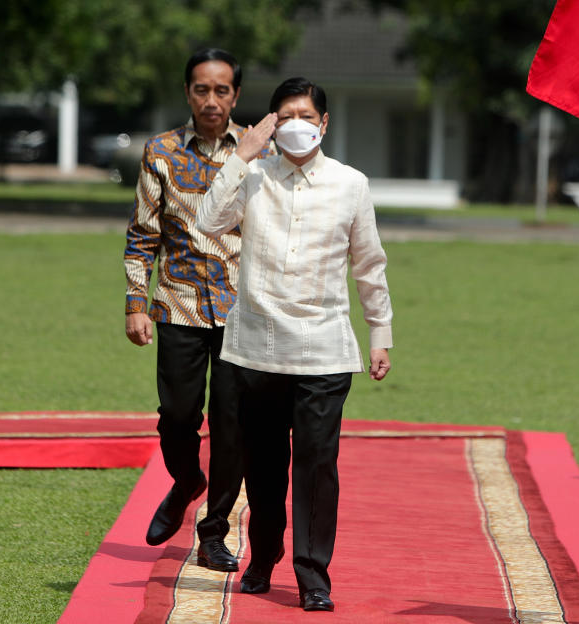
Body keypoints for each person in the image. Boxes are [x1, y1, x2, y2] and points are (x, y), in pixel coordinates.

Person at [197, 76, 393, 612]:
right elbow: (206, 224)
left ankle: (313, 574)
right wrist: (241, 155)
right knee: (261, 465)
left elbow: (369, 264)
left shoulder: (351, 183)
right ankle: (263, 557)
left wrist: (381, 333)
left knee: (315, 464)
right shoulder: (253, 176)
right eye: (285, 116)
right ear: (271, 123)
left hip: (325, 350)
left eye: (307, 116)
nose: (297, 125)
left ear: (325, 124)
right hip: (256, 348)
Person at [124, 48, 270, 572]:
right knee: (178, 417)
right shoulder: (160, 151)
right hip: (178, 305)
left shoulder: (260, 151)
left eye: (223, 90)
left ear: (236, 94)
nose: (212, 100)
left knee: (233, 427)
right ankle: (187, 481)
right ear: (188, 93)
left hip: (241, 313)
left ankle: (213, 534)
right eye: (202, 90)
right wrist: (135, 304)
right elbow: (143, 235)